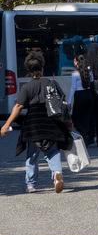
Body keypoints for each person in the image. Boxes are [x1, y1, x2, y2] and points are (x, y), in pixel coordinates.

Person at [1, 52, 71, 193]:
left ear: (28, 70)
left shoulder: (27, 87)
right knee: (52, 151)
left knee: (32, 155)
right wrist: (69, 121)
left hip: (33, 124)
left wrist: (6, 124)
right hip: (50, 122)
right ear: (42, 68)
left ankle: (31, 184)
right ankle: (57, 173)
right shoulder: (50, 83)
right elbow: (63, 103)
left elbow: (19, 106)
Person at [68, 53, 98, 146]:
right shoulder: (89, 72)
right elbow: (92, 83)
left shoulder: (75, 74)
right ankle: (87, 137)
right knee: (87, 118)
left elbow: (73, 88)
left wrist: (69, 101)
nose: (73, 62)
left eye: (74, 60)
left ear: (77, 62)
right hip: (88, 95)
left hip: (79, 96)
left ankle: (83, 136)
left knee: (76, 118)